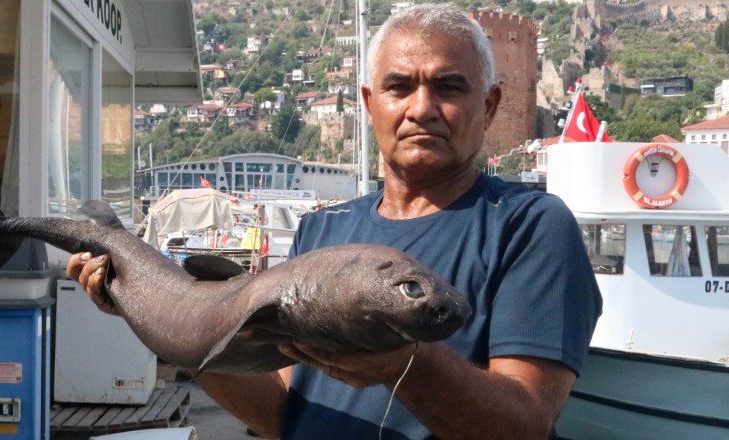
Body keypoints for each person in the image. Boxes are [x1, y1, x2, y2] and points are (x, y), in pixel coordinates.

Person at [67, 4, 602, 439]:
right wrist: (150, 317)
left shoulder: (529, 225)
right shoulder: (322, 230)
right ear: (370, 104)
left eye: (449, 87)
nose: (422, 108)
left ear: (488, 107)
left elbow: (526, 424)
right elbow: (279, 411)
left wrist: (404, 367)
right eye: (399, 87)